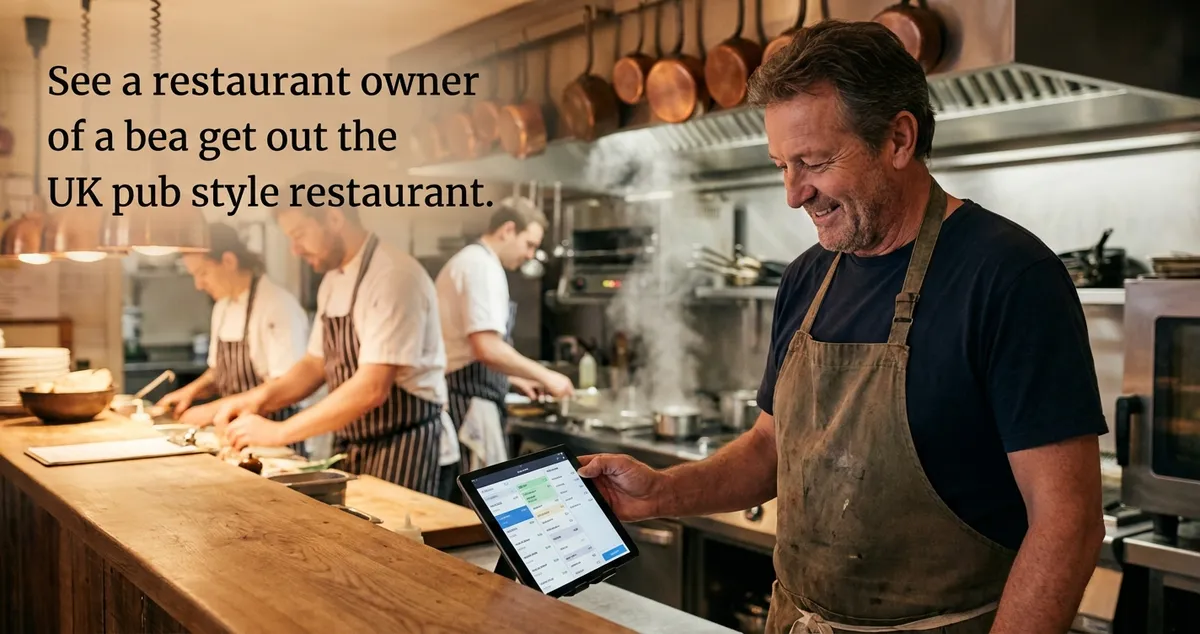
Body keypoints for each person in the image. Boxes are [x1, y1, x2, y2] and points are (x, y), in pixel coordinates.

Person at [578, 21, 1107, 634]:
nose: (794, 194)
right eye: (781, 164)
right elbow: (772, 449)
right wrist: (659, 494)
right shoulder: (808, 278)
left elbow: (1068, 521)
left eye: (814, 162)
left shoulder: (1010, 277)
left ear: (899, 139)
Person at [214, 197, 458, 496]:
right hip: (356, 444)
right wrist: (257, 400)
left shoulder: (394, 277)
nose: (294, 249)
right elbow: (314, 365)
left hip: (408, 446)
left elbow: (372, 388)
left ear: (334, 218)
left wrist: (279, 432)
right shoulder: (333, 280)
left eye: (299, 234)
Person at [434, 197, 574, 500]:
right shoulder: (480, 266)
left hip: (466, 394)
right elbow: (486, 347)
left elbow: (467, 346)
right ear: (508, 230)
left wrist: (513, 378)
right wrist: (548, 376)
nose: (530, 254)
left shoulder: (473, 261)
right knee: (475, 512)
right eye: (529, 244)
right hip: (465, 404)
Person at [157, 223, 311, 456]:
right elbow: (219, 372)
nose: (198, 285)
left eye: (203, 273)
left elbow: (284, 388)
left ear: (229, 261)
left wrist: (209, 410)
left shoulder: (278, 306)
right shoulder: (223, 305)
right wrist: (191, 391)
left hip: (275, 446)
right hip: (232, 438)